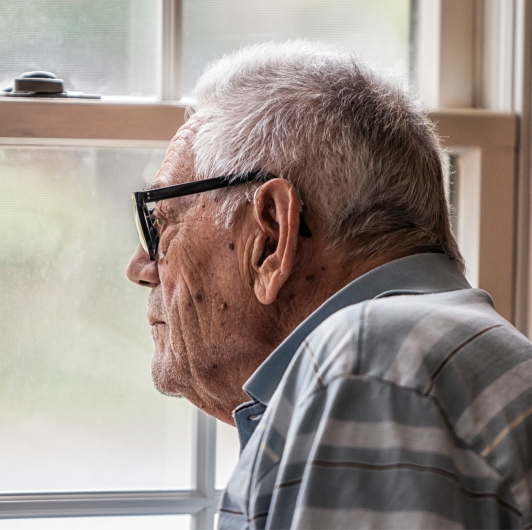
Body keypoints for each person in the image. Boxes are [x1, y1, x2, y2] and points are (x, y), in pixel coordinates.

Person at [126, 41, 532, 529]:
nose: (142, 266)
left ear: (271, 236)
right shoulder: (421, 355)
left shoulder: (372, 367)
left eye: (163, 222)